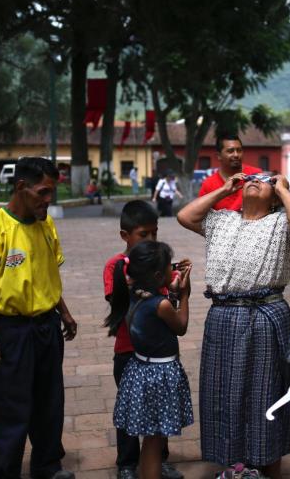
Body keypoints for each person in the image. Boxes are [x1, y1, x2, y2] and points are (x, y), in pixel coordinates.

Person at [177, 170, 290, 479]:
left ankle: (269, 468)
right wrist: (224, 189)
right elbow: (185, 215)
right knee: (224, 393)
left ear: (276, 193)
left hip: (264, 317)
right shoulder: (222, 220)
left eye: (266, 180)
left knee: (266, 394)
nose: (255, 180)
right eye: (252, 178)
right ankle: (234, 467)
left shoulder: (281, 223)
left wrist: (283, 188)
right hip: (223, 317)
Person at [0, 157, 78, 479]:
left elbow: (46, 275)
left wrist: (65, 313)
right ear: (20, 187)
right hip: (11, 332)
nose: (48, 201)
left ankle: (47, 466)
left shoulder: (46, 224)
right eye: (43, 193)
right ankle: (5, 472)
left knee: (48, 403)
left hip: (47, 328)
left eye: (51, 193)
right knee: (10, 409)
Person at [102, 200, 184, 479]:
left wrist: (173, 282)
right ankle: (127, 464)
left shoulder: (157, 268)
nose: (150, 239)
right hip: (128, 352)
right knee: (130, 412)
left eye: (154, 233)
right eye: (143, 234)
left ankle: (159, 461)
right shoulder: (117, 266)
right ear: (125, 235)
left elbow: (165, 303)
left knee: (159, 413)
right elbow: (118, 302)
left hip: (158, 353)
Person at [113, 241, 194, 479]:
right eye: (170, 268)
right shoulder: (161, 305)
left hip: (141, 369)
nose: (174, 271)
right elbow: (180, 326)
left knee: (151, 438)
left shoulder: (133, 296)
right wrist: (185, 294)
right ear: (159, 275)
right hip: (160, 375)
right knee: (154, 438)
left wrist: (173, 290)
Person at [198, 133, 263, 211]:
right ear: (218, 156)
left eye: (239, 150)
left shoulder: (256, 175)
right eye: (230, 151)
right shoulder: (208, 185)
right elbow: (200, 215)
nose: (236, 155)